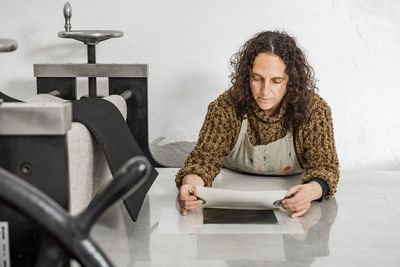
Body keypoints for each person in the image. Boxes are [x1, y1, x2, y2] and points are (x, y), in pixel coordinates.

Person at [175, 30, 339, 218]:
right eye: (257, 78)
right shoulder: (225, 107)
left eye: (276, 81)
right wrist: (191, 185)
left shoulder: (314, 110)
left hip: (288, 198)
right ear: (247, 76)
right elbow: (201, 162)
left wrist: (308, 193)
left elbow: (326, 168)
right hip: (230, 197)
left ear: (291, 81)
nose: (265, 90)